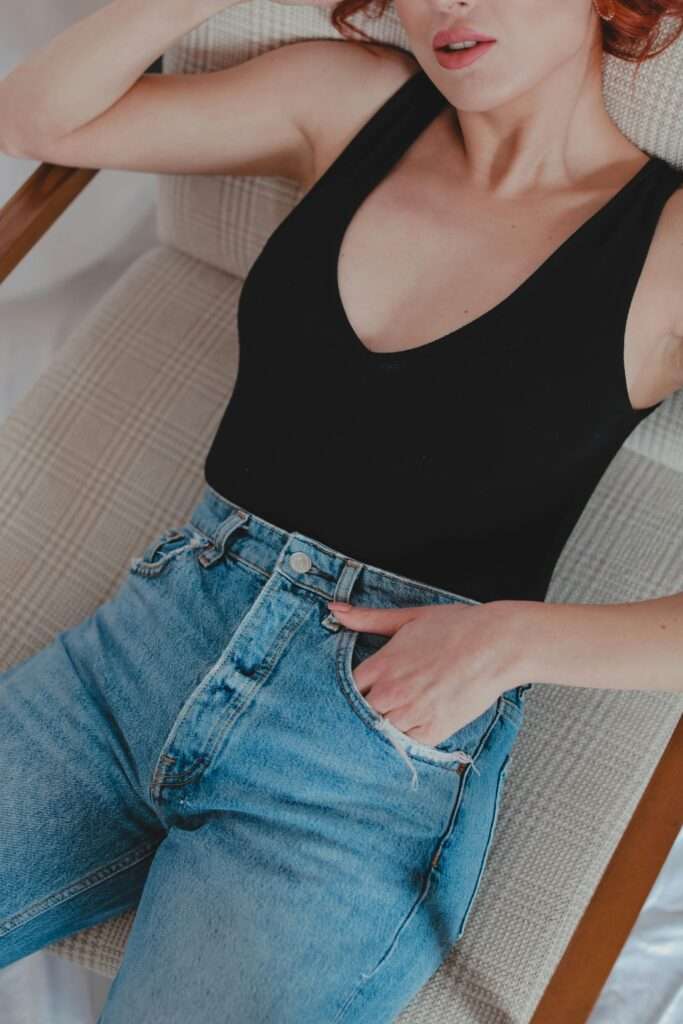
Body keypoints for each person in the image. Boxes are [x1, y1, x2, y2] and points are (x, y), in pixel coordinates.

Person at [0, 1, 682, 1021]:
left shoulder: (666, 241)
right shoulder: (342, 100)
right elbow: (39, 119)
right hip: (138, 653)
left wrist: (512, 643)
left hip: (356, 767)